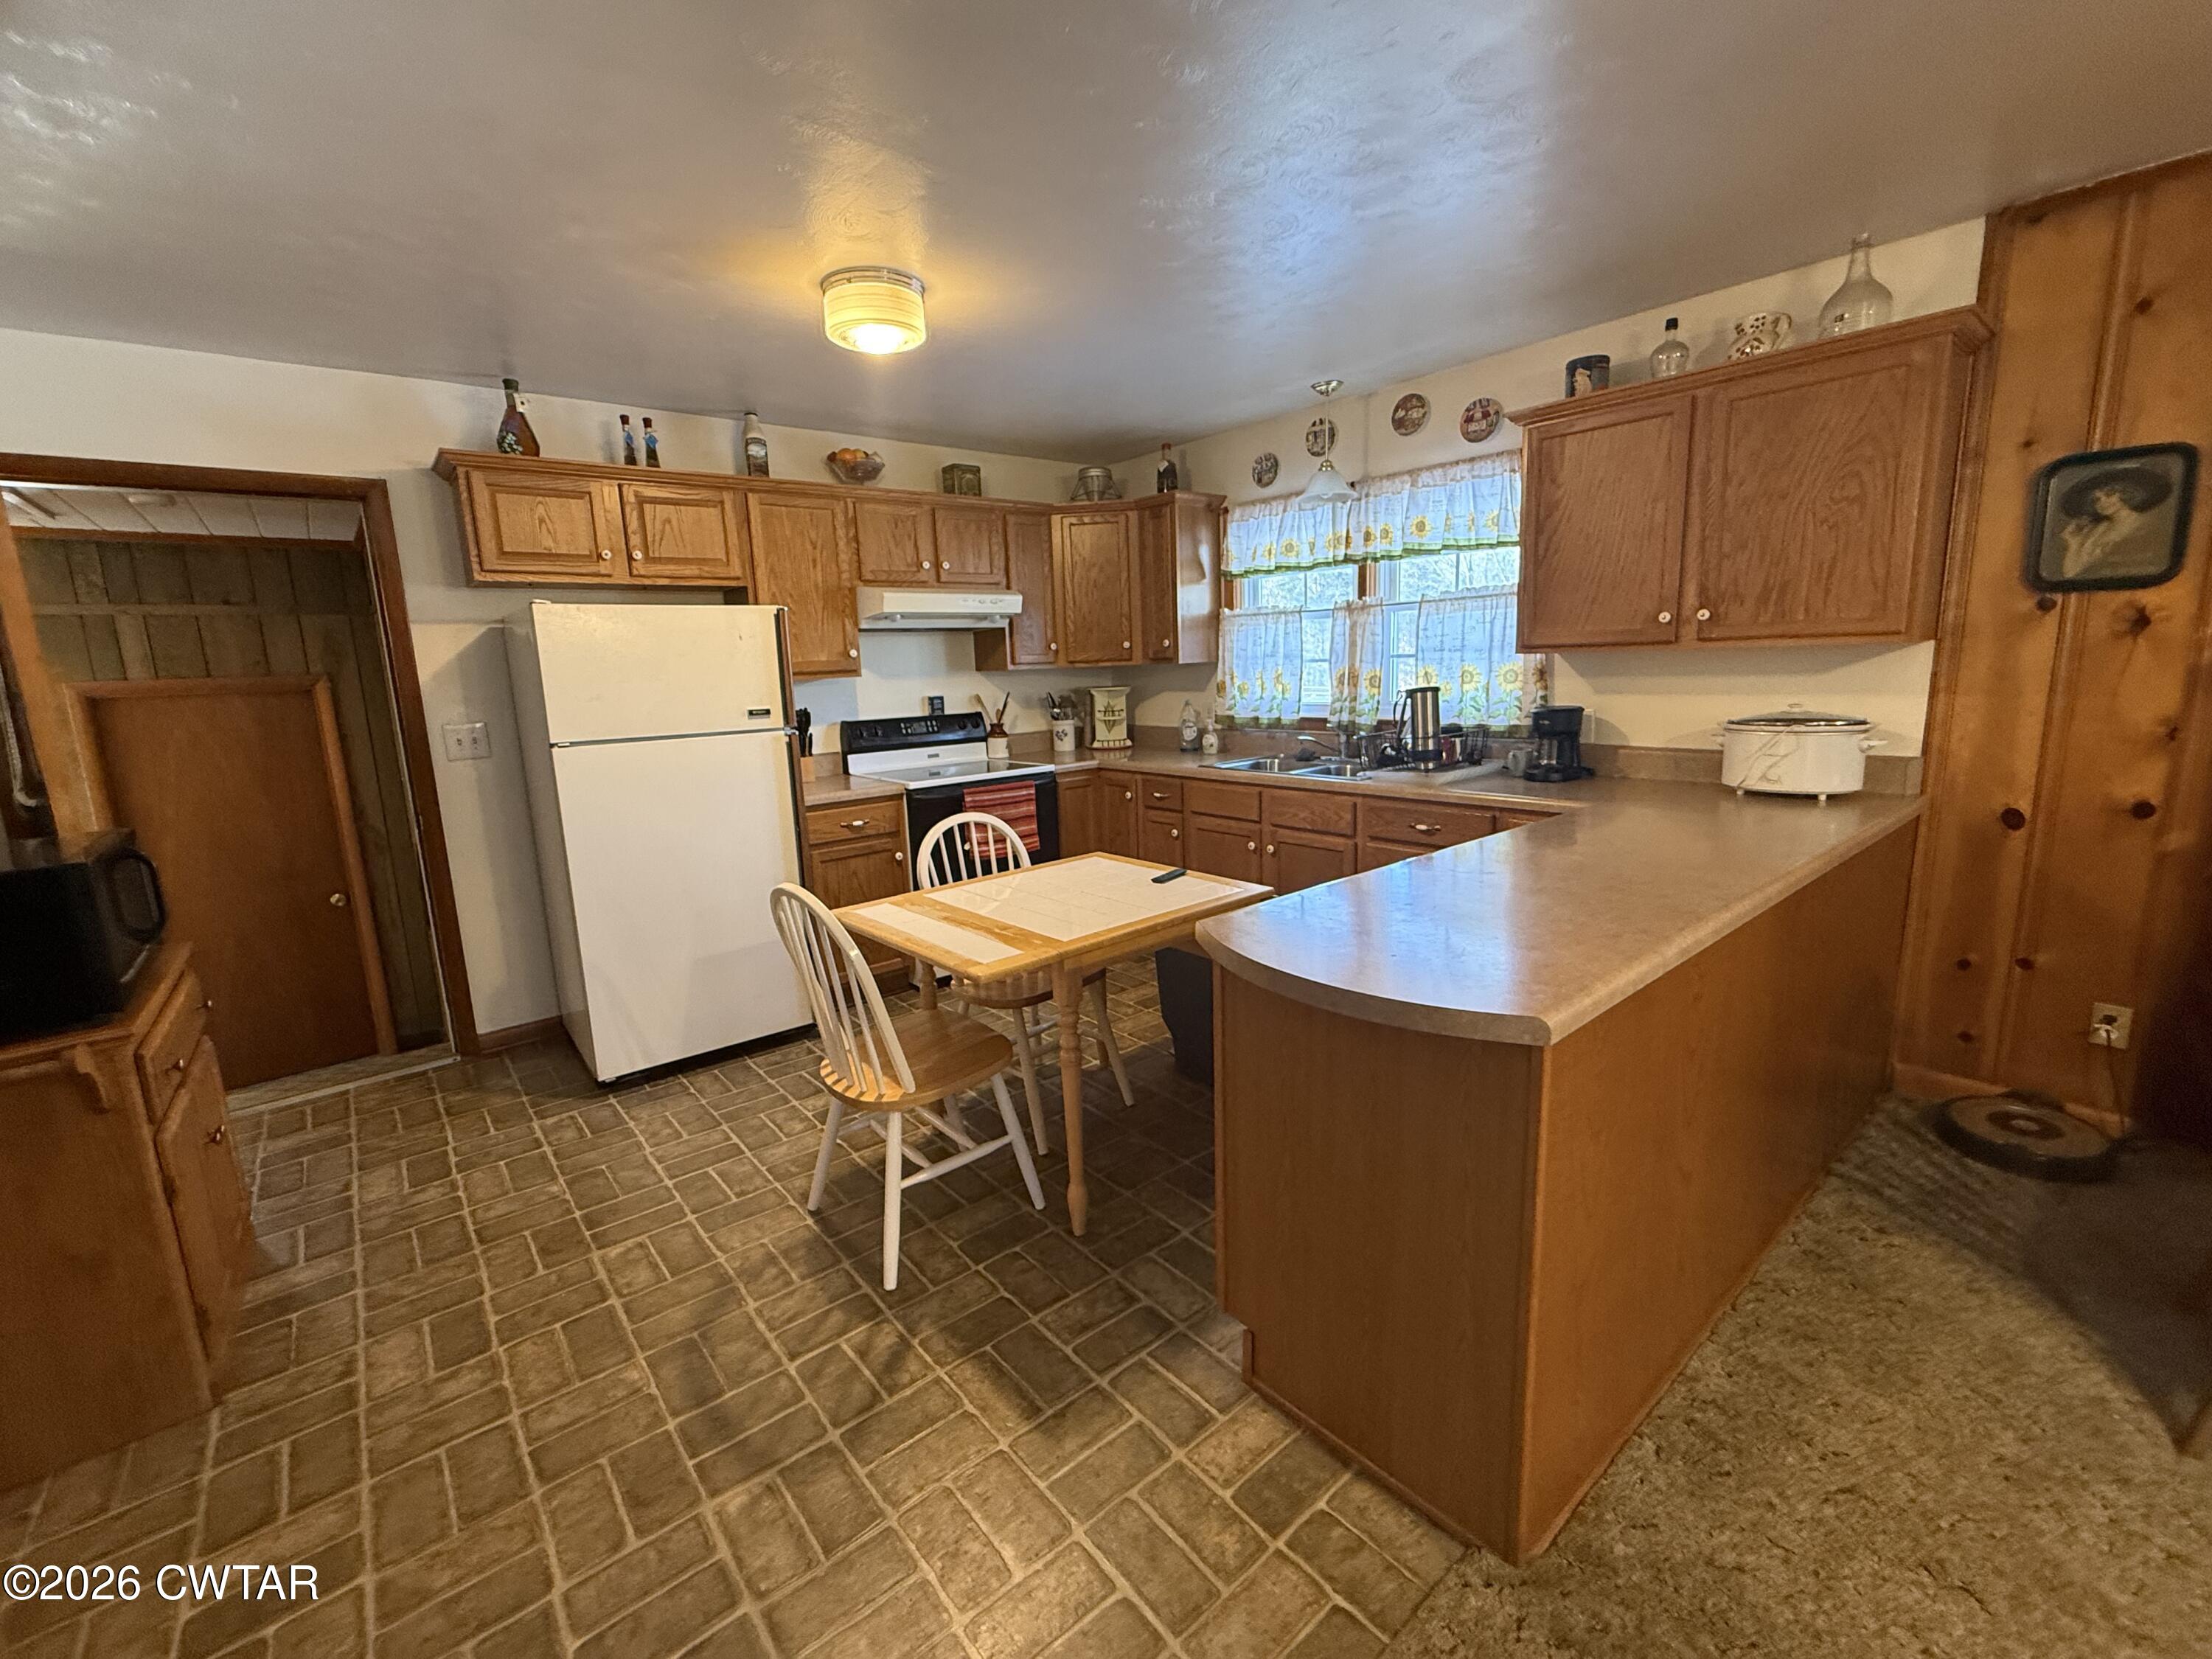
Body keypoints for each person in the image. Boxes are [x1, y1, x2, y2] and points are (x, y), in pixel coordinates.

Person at [2053, 465, 2174, 582]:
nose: (2102, 502)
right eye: (2096, 499)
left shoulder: (2145, 526)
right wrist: (2074, 544)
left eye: (2109, 494)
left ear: (2124, 492)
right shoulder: (2094, 530)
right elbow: (2070, 574)